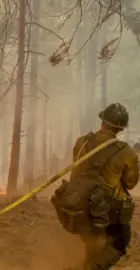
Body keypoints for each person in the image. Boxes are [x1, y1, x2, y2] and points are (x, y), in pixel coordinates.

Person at [70, 103, 139, 269]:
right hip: (107, 213)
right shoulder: (126, 152)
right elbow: (130, 183)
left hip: (79, 207)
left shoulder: (82, 143)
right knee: (120, 242)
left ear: (102, 122)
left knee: (92, 246)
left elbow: (77, 171)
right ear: (120, 129)